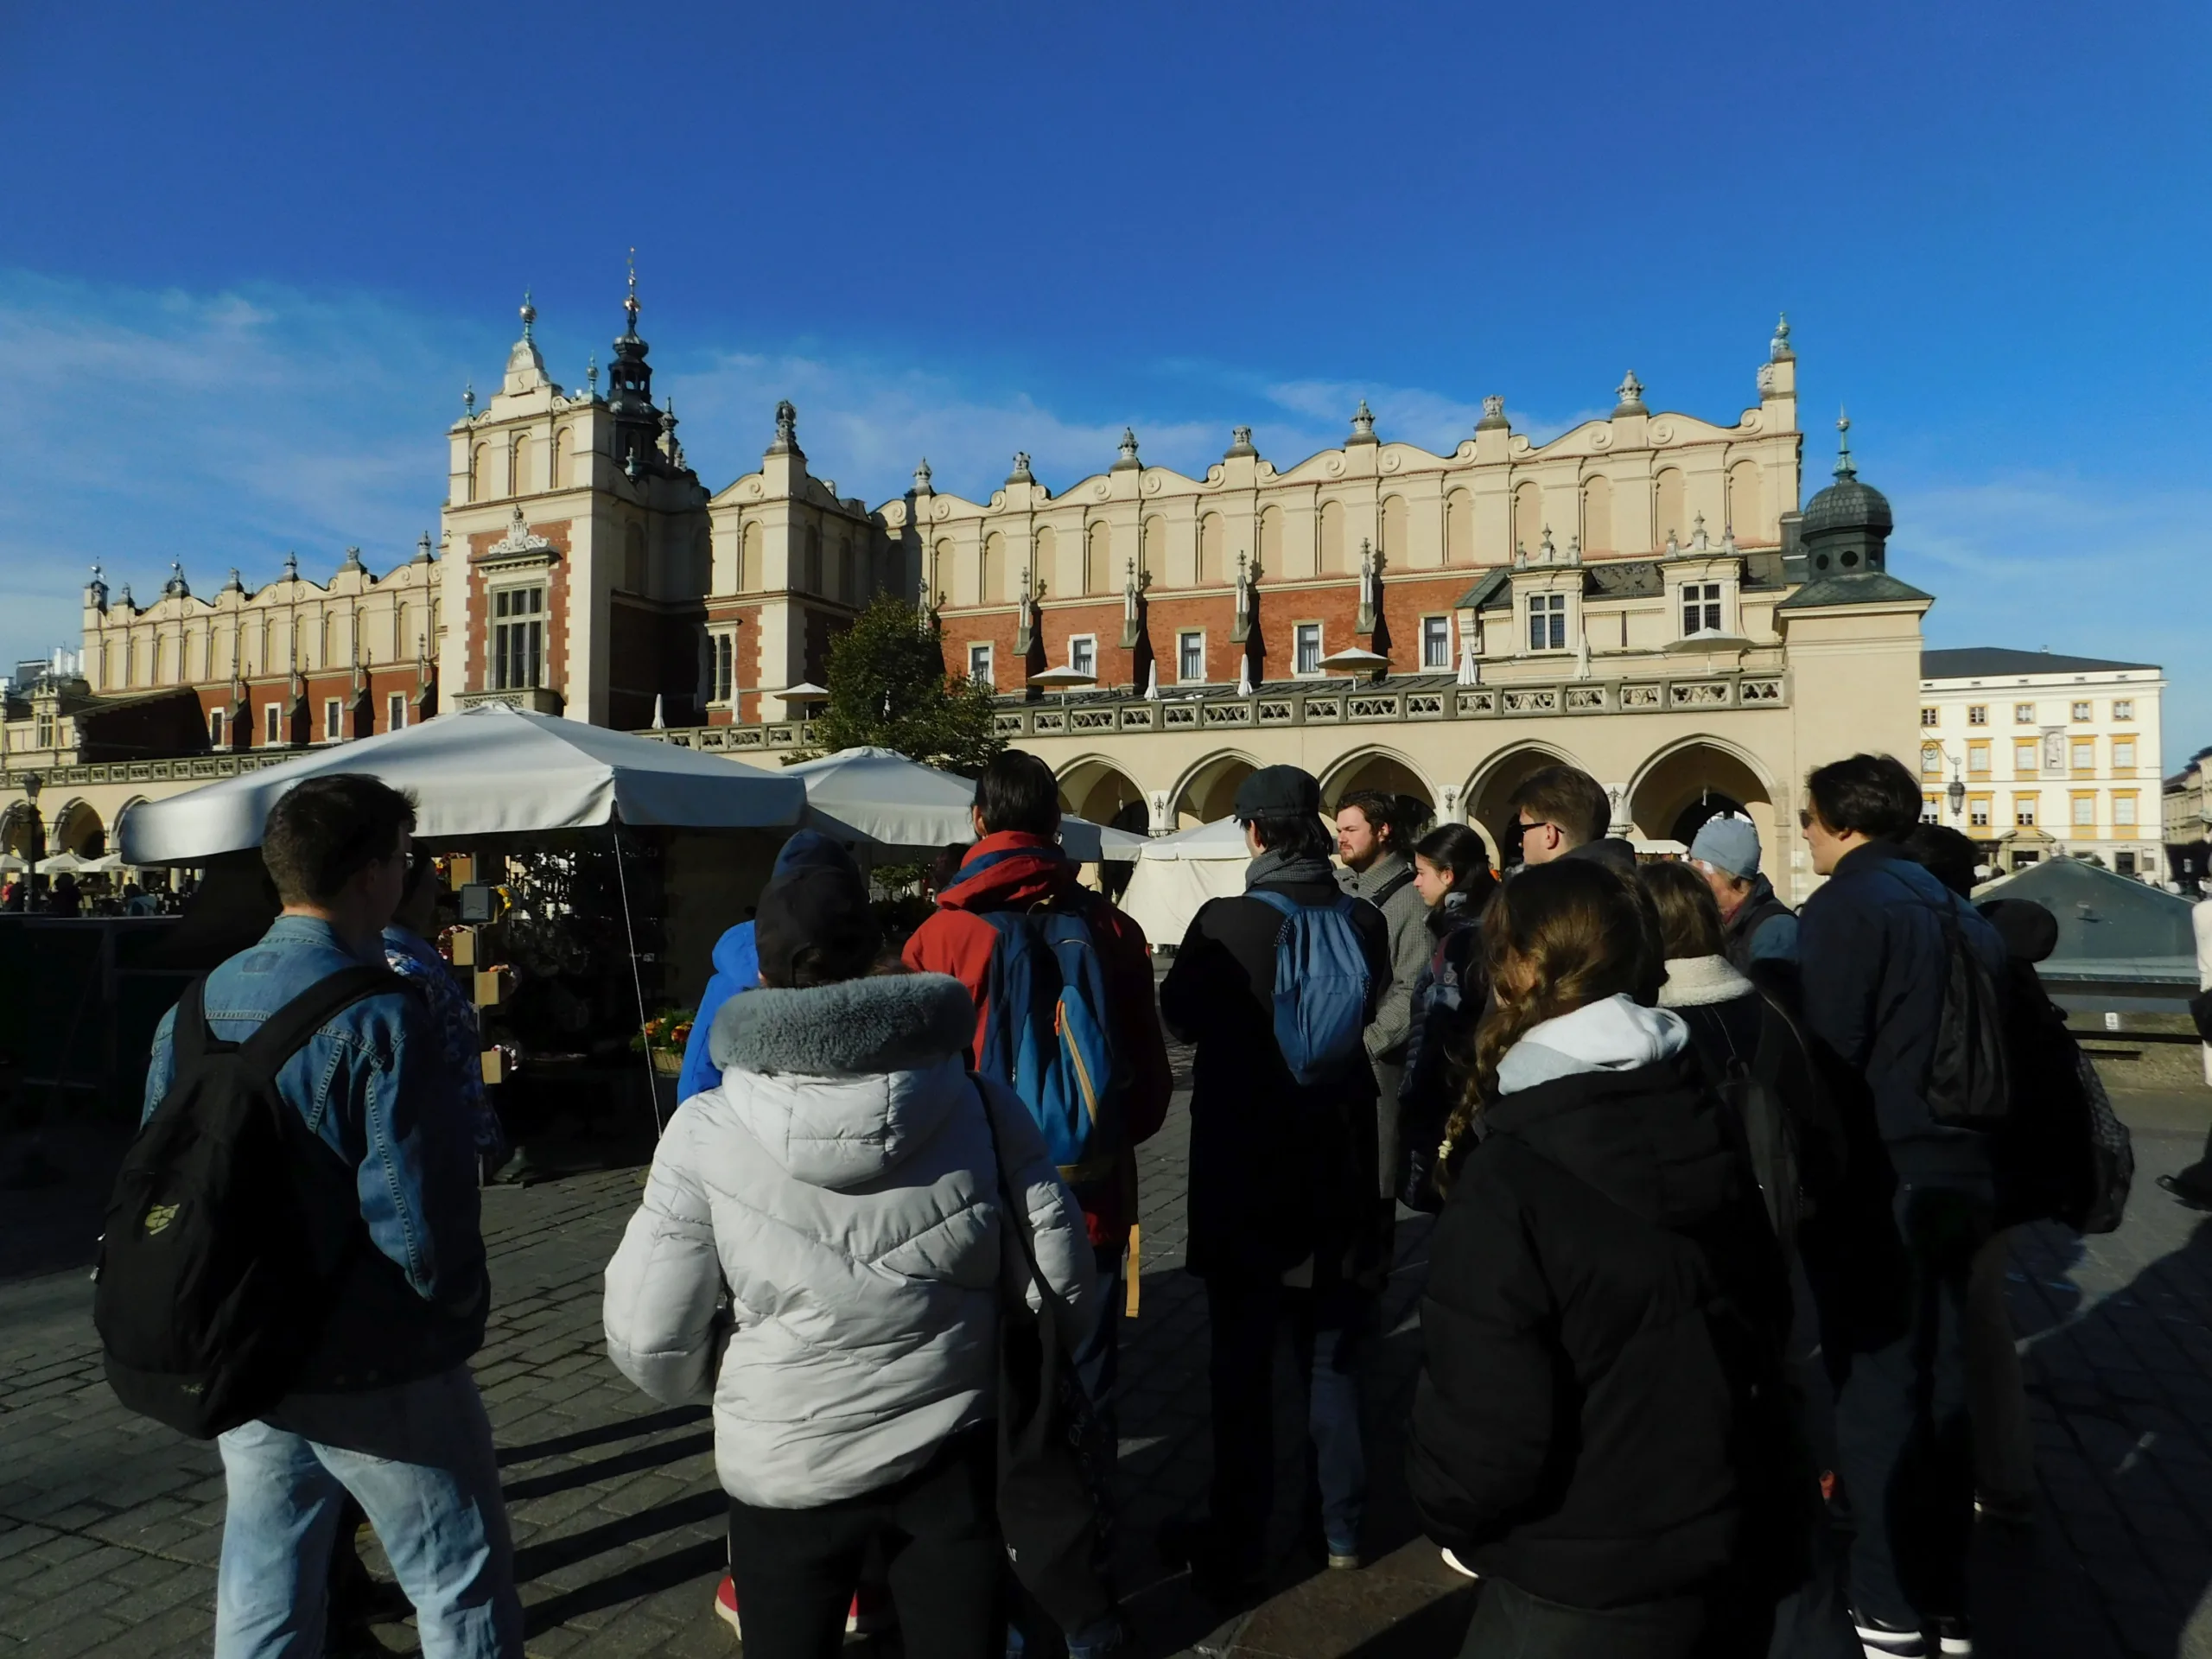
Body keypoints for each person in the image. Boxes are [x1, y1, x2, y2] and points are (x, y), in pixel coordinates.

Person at [602, 859, 1097, 1659]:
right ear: (879, 952)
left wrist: (740, 1377)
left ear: (759, 972)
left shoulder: (704, 1126)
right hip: (951, 1451)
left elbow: (648, 1337)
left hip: (787, 1469)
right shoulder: (980, 1103)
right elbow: (1064, 1282)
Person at [141, 774, 518, 1657]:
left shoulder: (189, 1010)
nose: (406, 874)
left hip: (243, 1341)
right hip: (367, 1356)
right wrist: (451, 1318)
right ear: (370, 876)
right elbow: (419, 1224)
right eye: (401, 857)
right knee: (460, 1580)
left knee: (266, 1574)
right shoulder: (383, 1015)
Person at [1407, 858, 1798, 1658]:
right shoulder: (1700, 1101)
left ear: (1515, 971)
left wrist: (1444, 1506)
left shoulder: (1509, 1173)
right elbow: (1766, 1312)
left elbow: (1484, 1440)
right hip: (1730, 1535)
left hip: (1579, 1577)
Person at [1158, 764, 1391, 1592]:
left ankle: (1238, 1531)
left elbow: (1179, 1015)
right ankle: (1342, 1529)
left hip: (1245, 1165)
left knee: (1241, 1364)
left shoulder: (1226, 920)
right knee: (1333, 1358)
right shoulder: (1363, 918)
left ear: (1253, 831)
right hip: (1339, 1160)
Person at [1796, 755, 2008, 1659]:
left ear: (1841, 825)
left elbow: (1830, 1056)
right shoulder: (1956, 906)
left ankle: (1884, 1603)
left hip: (1892, 1173)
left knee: (1882, 1383)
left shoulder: (1848, 905)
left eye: (1807, 820)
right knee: (1946, 1379)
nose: (1803, 833)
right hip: (1966, 1171)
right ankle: (1946, 1593)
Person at [902, 752, 1173, 1446]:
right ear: (1057, 826)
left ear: (978, 820)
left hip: (974, 1199)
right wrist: (1097, 1135)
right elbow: (1149, 1083)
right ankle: (1088, 1535)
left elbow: (912, 1089)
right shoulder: (1114, 930)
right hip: (1093, 1194)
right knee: (1087, 1381)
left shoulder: (940, 935)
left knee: (981, 1390)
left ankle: (999, 1540)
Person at [674, 830, 860, 1105]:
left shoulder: (732, 975)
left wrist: (694, 1135)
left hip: (742, 1128)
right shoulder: (858, 961)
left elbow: (697, 1079)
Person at [1334, 789, 1433, 1211]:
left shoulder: (1408, 899)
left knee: (1373, 1193)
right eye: (1338, 830)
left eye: (1351, 829)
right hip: (1336, 1065)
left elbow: (1413, 987)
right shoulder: (1340, 889)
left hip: (1376, 1069)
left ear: (1383, 831)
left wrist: (1365, 1045)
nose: (1341, 838)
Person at [1394, 823, 1495, 1211]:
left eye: (1422, 873)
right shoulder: (1481, 923)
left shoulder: (1460, 939)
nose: (1416, 883)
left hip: (1455, 1097)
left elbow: (1441, 1027)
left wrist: (1415, 1099)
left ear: (1448, 876)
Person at [1688, 817, 1800, 971]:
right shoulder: (1723, 920)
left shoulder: (1775, 931)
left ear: (1723, 875)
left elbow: (1771, 994)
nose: (1693, 882)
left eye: (1697, 871)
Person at [1508, 764, 1634, 874]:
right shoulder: (1635, 891)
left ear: (1549, 834)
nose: (1520, 842)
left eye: (1524, 830)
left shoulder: (1549, 899)